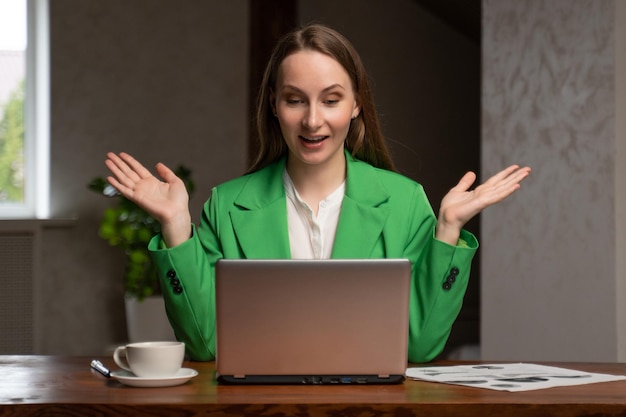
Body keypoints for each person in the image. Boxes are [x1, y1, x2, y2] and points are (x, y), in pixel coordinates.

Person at [105, 24, 530, 363]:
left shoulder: (405, 201)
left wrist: (449, 229)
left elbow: (421, 347)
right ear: (274, 104)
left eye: (331, 100)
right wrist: (177, 227)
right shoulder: (226, 204)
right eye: (295, 100)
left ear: (356, 104)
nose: (312, 121)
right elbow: (204, 346)